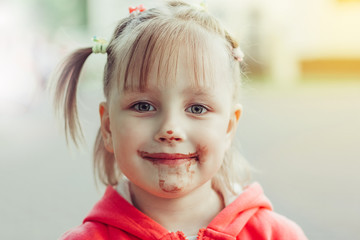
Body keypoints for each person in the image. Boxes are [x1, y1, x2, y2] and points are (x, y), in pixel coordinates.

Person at [53, 1, 308, 239]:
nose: (170, 129)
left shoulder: (277, 234)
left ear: (229, 127)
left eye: (197, 108)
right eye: (143, 105)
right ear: (108, 127)